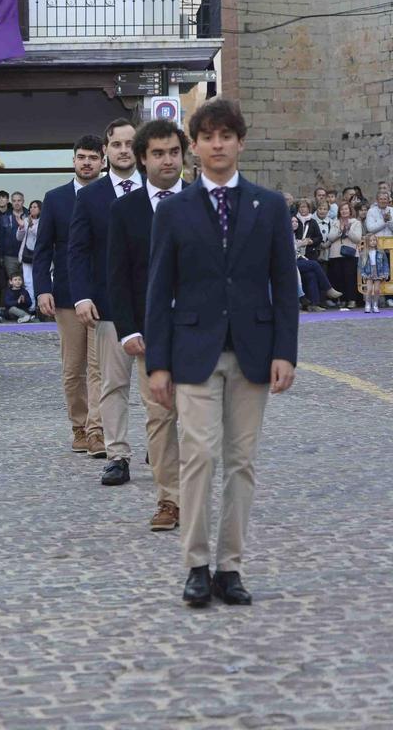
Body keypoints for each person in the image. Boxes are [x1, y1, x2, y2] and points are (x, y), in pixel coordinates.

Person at [145, 98, 299, 608]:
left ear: (240, 143)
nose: (217, 145)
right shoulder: (174, 210)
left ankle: (230, 567)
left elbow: (283, 281)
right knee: (200, 457)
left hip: (253, 353)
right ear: (195, 147)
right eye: (207, 137)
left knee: (241, 463)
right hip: (193, 353)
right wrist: (159, 364)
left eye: (226, 136)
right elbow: (158, 289)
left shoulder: (269, 205)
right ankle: (195, 564)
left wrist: (286, 352)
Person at [106, 119, 187, 529]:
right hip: (151, 334)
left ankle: (197, 491)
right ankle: (169, 500)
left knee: (200, 420)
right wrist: (128, 329)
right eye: (158, 153)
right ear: (142, 158)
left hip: (201, 330)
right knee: (160, 417)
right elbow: (117, 275)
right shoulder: (125, 209)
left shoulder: (202, 201)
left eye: (173, 152)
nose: (167, 160)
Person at [70, 118, 142, 485]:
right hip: (109, 307)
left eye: (131, 144)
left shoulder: (161, 191)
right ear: (106, 151)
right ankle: (118, 454)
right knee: (113, 384)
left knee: (163, 384)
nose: (124, 150)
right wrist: (81, 295)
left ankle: (161, 445)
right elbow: (79, 251)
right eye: (117, 144)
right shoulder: (90, 197)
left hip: (156, 306)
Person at [34, 135, 106, 457]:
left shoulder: (113, 196)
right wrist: (42, 289)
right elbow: (42, 249)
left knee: (100, 367)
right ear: (73, 160)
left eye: (93, 156)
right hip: (65, 295)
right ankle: (78, 425)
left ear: (102, 160)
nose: (87, 162)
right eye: (82, 157)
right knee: (73, 367)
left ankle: (97, 431)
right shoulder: (55, 198)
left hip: (105, 294)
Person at [326, 202, 363, 308]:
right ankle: (342, 300)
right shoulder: (335, 222)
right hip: (336, 254)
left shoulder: (356, 222)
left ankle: (351, 300)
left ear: (350, 210)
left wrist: (348, 230)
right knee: (338, 277)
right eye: (342, 209)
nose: (344, 211)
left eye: (346, 209)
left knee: (350, 277)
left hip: (350, 253)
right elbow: (331, 237)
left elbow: (357, 238)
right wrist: (340, 230)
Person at [16, 200, 42, 299]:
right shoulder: (26, 220)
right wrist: (22, 227)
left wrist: (31, 226)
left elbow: (40, 235)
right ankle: (31, 306)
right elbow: (19, 238)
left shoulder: (44, 220)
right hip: (27, 255)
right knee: (27, 282)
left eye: (35, 207)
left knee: (39, 280)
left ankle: (40, 305)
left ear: (40, 209)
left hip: (39, 256)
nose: (32, 209)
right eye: (31, 207)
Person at [360, 233, 391, 312]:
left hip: (378, 272)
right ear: (367, 242)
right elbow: (360, 265)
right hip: (368, 272)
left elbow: (385, 263)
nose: (373, 242)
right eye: (370, 241)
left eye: (374, 240)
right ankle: (367, 304)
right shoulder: (363, 253)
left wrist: (386, 273)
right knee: (369, 289)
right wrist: (363, 273)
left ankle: (375, 305)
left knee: (377, 290)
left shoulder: (381, 252)